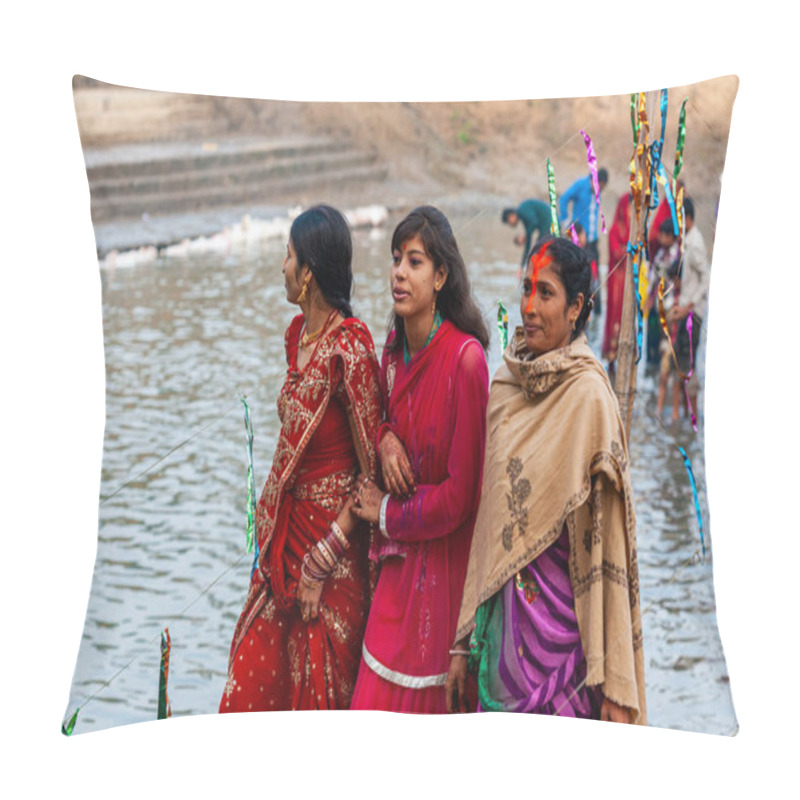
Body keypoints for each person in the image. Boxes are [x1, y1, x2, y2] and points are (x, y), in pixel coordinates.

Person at [446, 236, 646, 725]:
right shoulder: (505, 387)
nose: (530, 307)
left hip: (566, 653)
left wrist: (616, 680)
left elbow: (610, 547)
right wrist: (462, 640)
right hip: (499, 647)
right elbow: (488, 524)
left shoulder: (590, 398)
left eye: (547, 293)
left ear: (577, 306)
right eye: (526, 289)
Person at [219, 204, 381, 712]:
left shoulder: (350, 347)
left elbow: (371, 475)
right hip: (283, 545)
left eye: (288, 256)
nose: (282, 267)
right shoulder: (297, 337)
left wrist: (323, 558)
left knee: (314, 701)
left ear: (308, 270)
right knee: (249, 682)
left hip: (330, 556)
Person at [349, 205, 490, 713]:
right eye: (396, 260)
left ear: (441, 275)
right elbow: (388, 414)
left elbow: (461, 498)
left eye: (414, 262)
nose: (399, 274)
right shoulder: (392, 351)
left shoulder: (466, 361)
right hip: (396, 571)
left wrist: (387, 513)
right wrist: (386, 438)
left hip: (443, 583)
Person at [669, 196, 708, 415]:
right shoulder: (687, 241)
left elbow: (706, 278)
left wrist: (688, 306)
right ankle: (684, 416)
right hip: (686, 312)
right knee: (681, 363)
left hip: (693, 314)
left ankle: (689, 417)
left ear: (688, 218)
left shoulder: (696, 244)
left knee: (686, 366)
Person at [603, 193, 631, 372]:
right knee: (614, 313)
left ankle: (624, 352)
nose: (630, 212)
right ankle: (612, 356)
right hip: (616, 280)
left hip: (627, 279)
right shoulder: (614, 229)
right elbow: (615, 252)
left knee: (626, 313)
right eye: (628, 208)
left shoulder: (631, 230)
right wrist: (629, 250)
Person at [559, 168, 608, 266]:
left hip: (592, 240)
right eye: (599, 187)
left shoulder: (598, 193)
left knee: (595, 274)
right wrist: (566, 221)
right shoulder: (581, 185)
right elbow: (563, 199)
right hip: (580, 240)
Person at [502, 199, 552, 274]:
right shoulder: (523, 214)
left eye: (509, 222)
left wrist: (527, 235)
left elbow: (534, 222)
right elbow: (528, 244)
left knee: (539, 248)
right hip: (548, 224)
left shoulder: (522, 211)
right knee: (538, 248)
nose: (511, 225)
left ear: (511, 216)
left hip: (549, 223)